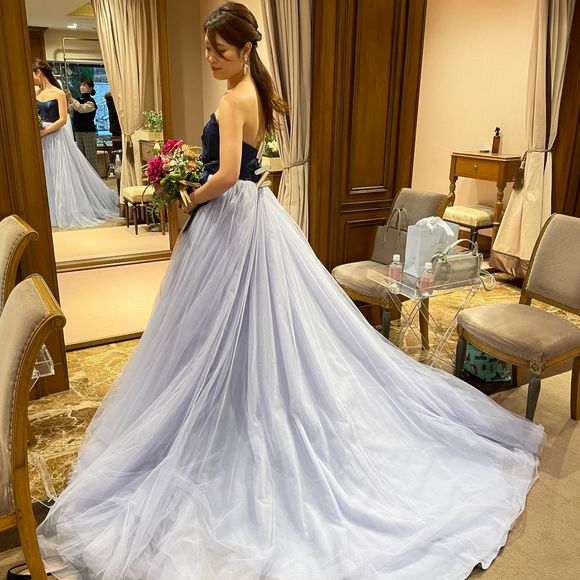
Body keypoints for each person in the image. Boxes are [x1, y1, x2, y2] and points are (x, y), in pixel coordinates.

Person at [33, 4, 543, 579]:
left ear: (246, 49)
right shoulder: (256, 90)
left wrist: (187, 197)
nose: (211, 58)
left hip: (229, 218)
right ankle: (240, 408)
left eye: (220, 51)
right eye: (208, 50)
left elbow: (227, 176)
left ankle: (233, 419)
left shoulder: (233, 100)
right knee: (253, 324)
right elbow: (248, 168)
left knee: (222, 326)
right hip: (255, 215)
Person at [32, 59, 119, 229]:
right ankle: (49, 210)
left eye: (32, 75)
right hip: (41, 138)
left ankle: (65, 209)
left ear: (39, 73)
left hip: (55, 137)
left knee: (60, 173)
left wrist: (44, 131)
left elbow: (63, 119)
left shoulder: (58, 93)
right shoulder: (35, 93)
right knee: (46, 174)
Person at [67, 79, 99, 172]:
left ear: (90, 88)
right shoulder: (77, 100)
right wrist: (67, 100)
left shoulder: (91, 102)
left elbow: (81, 109)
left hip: (88, 132)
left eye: (84, 85)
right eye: (81, 84)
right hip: (78, 131)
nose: (82, 87)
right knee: (81, 160)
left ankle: (94, 180)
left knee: (91, 160)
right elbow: (70, 111)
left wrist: (71, 98)